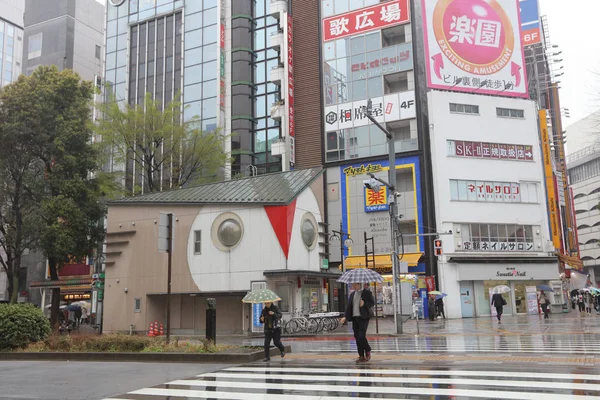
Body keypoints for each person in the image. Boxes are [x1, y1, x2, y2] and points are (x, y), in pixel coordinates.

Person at [340, 282, 375, 363]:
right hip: (355, 318)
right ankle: (361, 356)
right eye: (353, 285)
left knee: (361, 336)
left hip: (363, 318)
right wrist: (345, 317)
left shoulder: (366, 293)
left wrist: (364, 304)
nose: (353, 286)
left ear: (359, 284)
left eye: (355, 284)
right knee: (357, 337)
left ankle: (368, 350)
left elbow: (372, 303)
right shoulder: (352, 294)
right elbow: (349, 307)